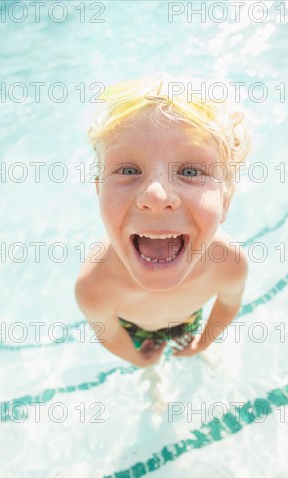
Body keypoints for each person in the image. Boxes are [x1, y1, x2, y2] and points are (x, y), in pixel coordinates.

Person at [75, 74, 252, 367]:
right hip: (135, 331)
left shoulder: (230, 263)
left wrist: (204, 340)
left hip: (187, 319)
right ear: (98, 192)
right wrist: (139, 360)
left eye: (191, 172)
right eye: (129, 171)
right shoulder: (94, 286)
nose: (156, 195)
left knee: (197, 350)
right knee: (150, 372)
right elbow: (109, 335)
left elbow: (228, 304)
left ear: (226, 199)